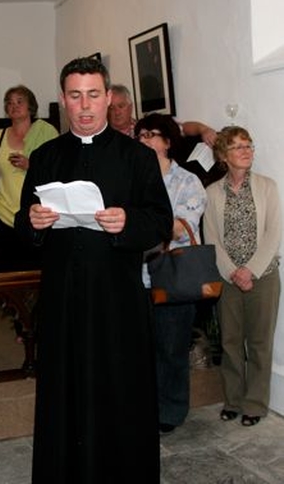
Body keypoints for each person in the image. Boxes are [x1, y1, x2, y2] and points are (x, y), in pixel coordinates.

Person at [14, 57, 173, 482]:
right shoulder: (45, 156)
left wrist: (128, 224)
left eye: (94, 95)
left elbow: (160, 220)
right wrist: (33, 222)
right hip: (63, 299)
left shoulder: (138, 157)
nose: (85, 106)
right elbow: (20, 224)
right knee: (64, 393)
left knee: (120, 389)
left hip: (117, 299)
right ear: (64, 99)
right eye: (75, 95)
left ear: (109, 98)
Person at [203, 126, 281, 427]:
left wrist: (251, 270)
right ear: (223, 155)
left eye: (248, 145)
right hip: (229, 279)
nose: (245, 151)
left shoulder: (267, 187)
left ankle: (255, 404)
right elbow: (211, 238)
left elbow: (274, 233)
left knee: (260, 343)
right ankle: (233, 400)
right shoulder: (212, 193)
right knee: (231, 342)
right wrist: (234, 272)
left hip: (264, 277)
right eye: (237, 147)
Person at [135, 113, 207, 435]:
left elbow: (180, 226)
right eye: (141, 135)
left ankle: (171, 411)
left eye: (152, 134)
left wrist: (138, 227)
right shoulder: (131, 180)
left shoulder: (187, 181)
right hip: (135, 278)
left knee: (172, 348)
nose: (146, 140)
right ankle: (143, 406)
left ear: (167, 141)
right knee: (141, 349)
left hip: (174, 277)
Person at [0, 84, 58, 271]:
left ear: (31, 106)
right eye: (9, 103)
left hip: (39, 216)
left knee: (40, 271)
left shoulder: (47, 133)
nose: (14, 105)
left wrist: (30, 166)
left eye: (19, 101)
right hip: (5, 215)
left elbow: (58, 173)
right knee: (10, 273)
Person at [108, 84, 218, 147]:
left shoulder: (147, 128)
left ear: (130, 106)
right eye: (111, 108)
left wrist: (203, 129)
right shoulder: (104, 138)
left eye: (121, 106)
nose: (116, 112)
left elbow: (182, 128)